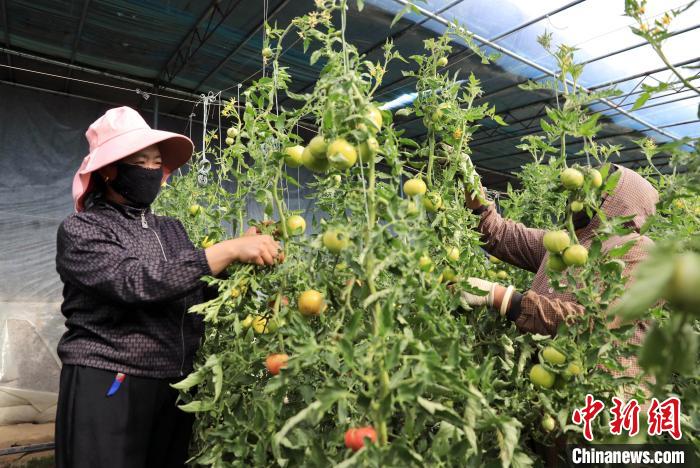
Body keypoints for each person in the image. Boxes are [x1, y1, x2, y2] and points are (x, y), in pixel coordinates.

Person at [54, 107, 280, 468]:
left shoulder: (170, 228)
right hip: (112, 379)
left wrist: (237, 263)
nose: (151, 169)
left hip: (174, 385)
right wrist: (225, 250)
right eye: (140, 161)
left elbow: (191, 290)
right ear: (109, 171)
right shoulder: (84, 230)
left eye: (156, 161)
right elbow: (133, 282)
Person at [459, 165, 658, 343]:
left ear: (616, 203)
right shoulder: (564, 244)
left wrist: (503, 298)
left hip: (602, 382)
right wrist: (475, 195)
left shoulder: (639, 250)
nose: (579, 196)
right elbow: (501, 235)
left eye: (592, 190)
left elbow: (597, 324)